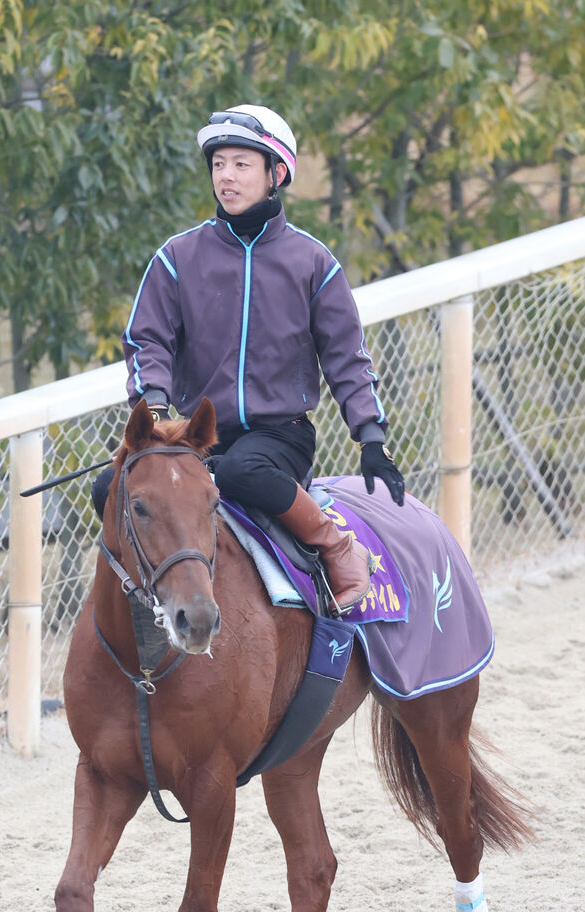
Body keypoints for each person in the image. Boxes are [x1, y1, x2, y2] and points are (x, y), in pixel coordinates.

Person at [121, 104, 405, 612]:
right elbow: (148, 341)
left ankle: (338, 548)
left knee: (236, 473)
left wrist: (372, 437)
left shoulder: (314, 262)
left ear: (276, 174)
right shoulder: (176, 258)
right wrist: (157, 404)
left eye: (241, 164)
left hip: (279, 436)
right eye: (218, 164)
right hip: (194, 435)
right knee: (112, 486)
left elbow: (346, 358)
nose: (226, 177)